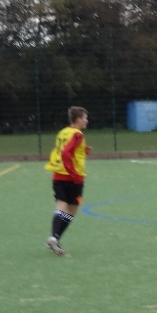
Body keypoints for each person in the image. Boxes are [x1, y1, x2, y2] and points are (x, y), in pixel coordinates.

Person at [44, 106, 91, 256]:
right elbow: (65, 153)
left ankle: (54, 238)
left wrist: (83, 150)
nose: (87, 121)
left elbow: (63, 150)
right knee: (72, 210)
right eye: (85, 118)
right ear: (78, 119)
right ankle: (55, 237)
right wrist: (74, 174)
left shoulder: (63, 132)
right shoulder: (78, 135)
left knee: (61, 206)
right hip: (73, 178)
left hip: (57, 175)